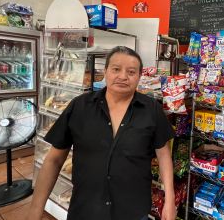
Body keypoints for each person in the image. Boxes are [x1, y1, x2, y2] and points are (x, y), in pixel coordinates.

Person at [27, 46, 175, 220]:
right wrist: (35, 211)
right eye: (116, 69)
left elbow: (163, 155)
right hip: (86, 209)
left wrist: (170, 200)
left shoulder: (152, 110)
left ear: (139, 77)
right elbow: (54, 160)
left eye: (131, 71)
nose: (123, 76)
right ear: (105, 72)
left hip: (133, 210)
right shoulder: (80, 106)